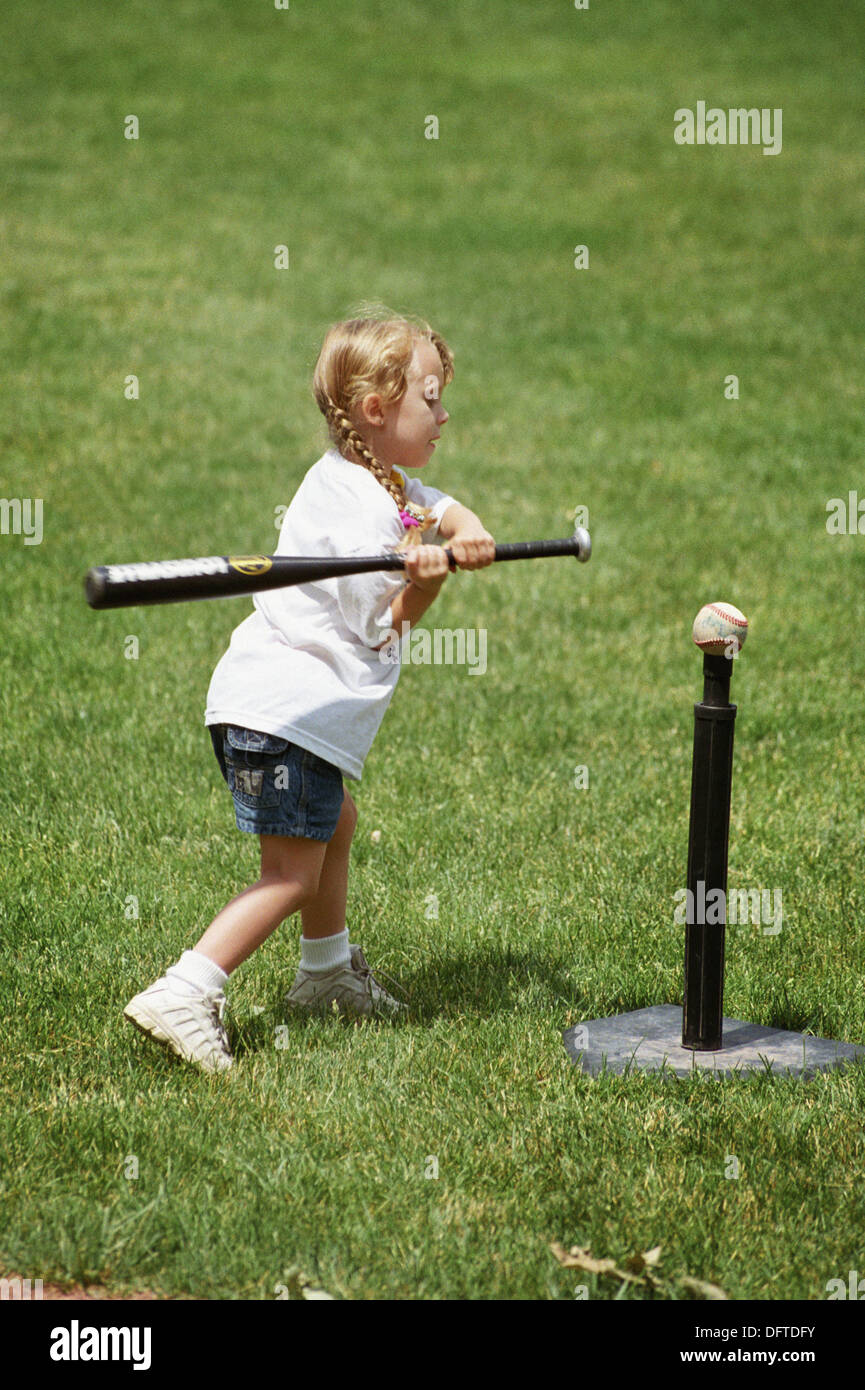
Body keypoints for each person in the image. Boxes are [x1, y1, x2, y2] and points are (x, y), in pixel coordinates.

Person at [123, 308, 496, 1072]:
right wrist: (423, 586)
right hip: (282, 718)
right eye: (430, 397)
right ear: (375, 409)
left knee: (335, 823)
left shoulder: (372, 479)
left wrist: (465, 527)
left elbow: (429, 499)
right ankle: (186, 988)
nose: (444, 412)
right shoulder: (360, 515)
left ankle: (325, 974)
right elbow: (380, 629)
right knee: (291, 873)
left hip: (275, 710)